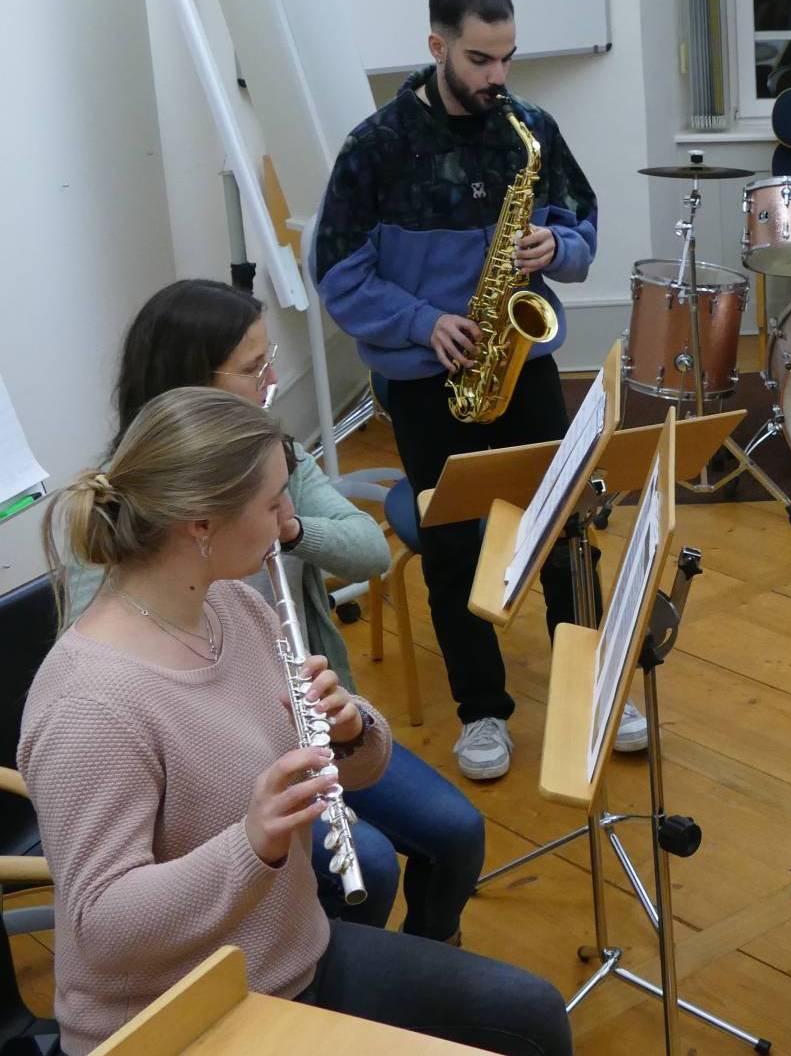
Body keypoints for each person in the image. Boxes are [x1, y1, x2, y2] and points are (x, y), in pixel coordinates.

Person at [20, 387, 569, 1056]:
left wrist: (351, 731)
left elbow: (343, 766)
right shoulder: (90, 704)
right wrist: (250, 843)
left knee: (531, 1015)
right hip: (174, 1017)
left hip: (292, 957)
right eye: (272, 502)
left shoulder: (233, 608)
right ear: (201, 523)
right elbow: (102, 927)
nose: (288, 517)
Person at [61, 278, 484, 943]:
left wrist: (286, 528)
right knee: (367, 866)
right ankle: (324, 988)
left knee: (459, 831)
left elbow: (370, 550)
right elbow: (95, 661)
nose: (273, 381)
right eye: (254, 368)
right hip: (222, 763)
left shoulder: (271, 459)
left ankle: (424, 961)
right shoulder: (124, 504)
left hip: (308, 726)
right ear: (191, 381)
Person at [312, 0, 643, 780]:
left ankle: (590, 678)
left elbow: (582, 225)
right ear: (437, 48)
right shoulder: (375, 147)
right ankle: (483, 711)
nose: (499, 77)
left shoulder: (528, 129)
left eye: (507, 58)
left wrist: (553, 250)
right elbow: (338, 274)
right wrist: (425, 322)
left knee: (566, 523)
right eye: (480, 58)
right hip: (432, 378)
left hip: (520, 358)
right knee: (455, 540)